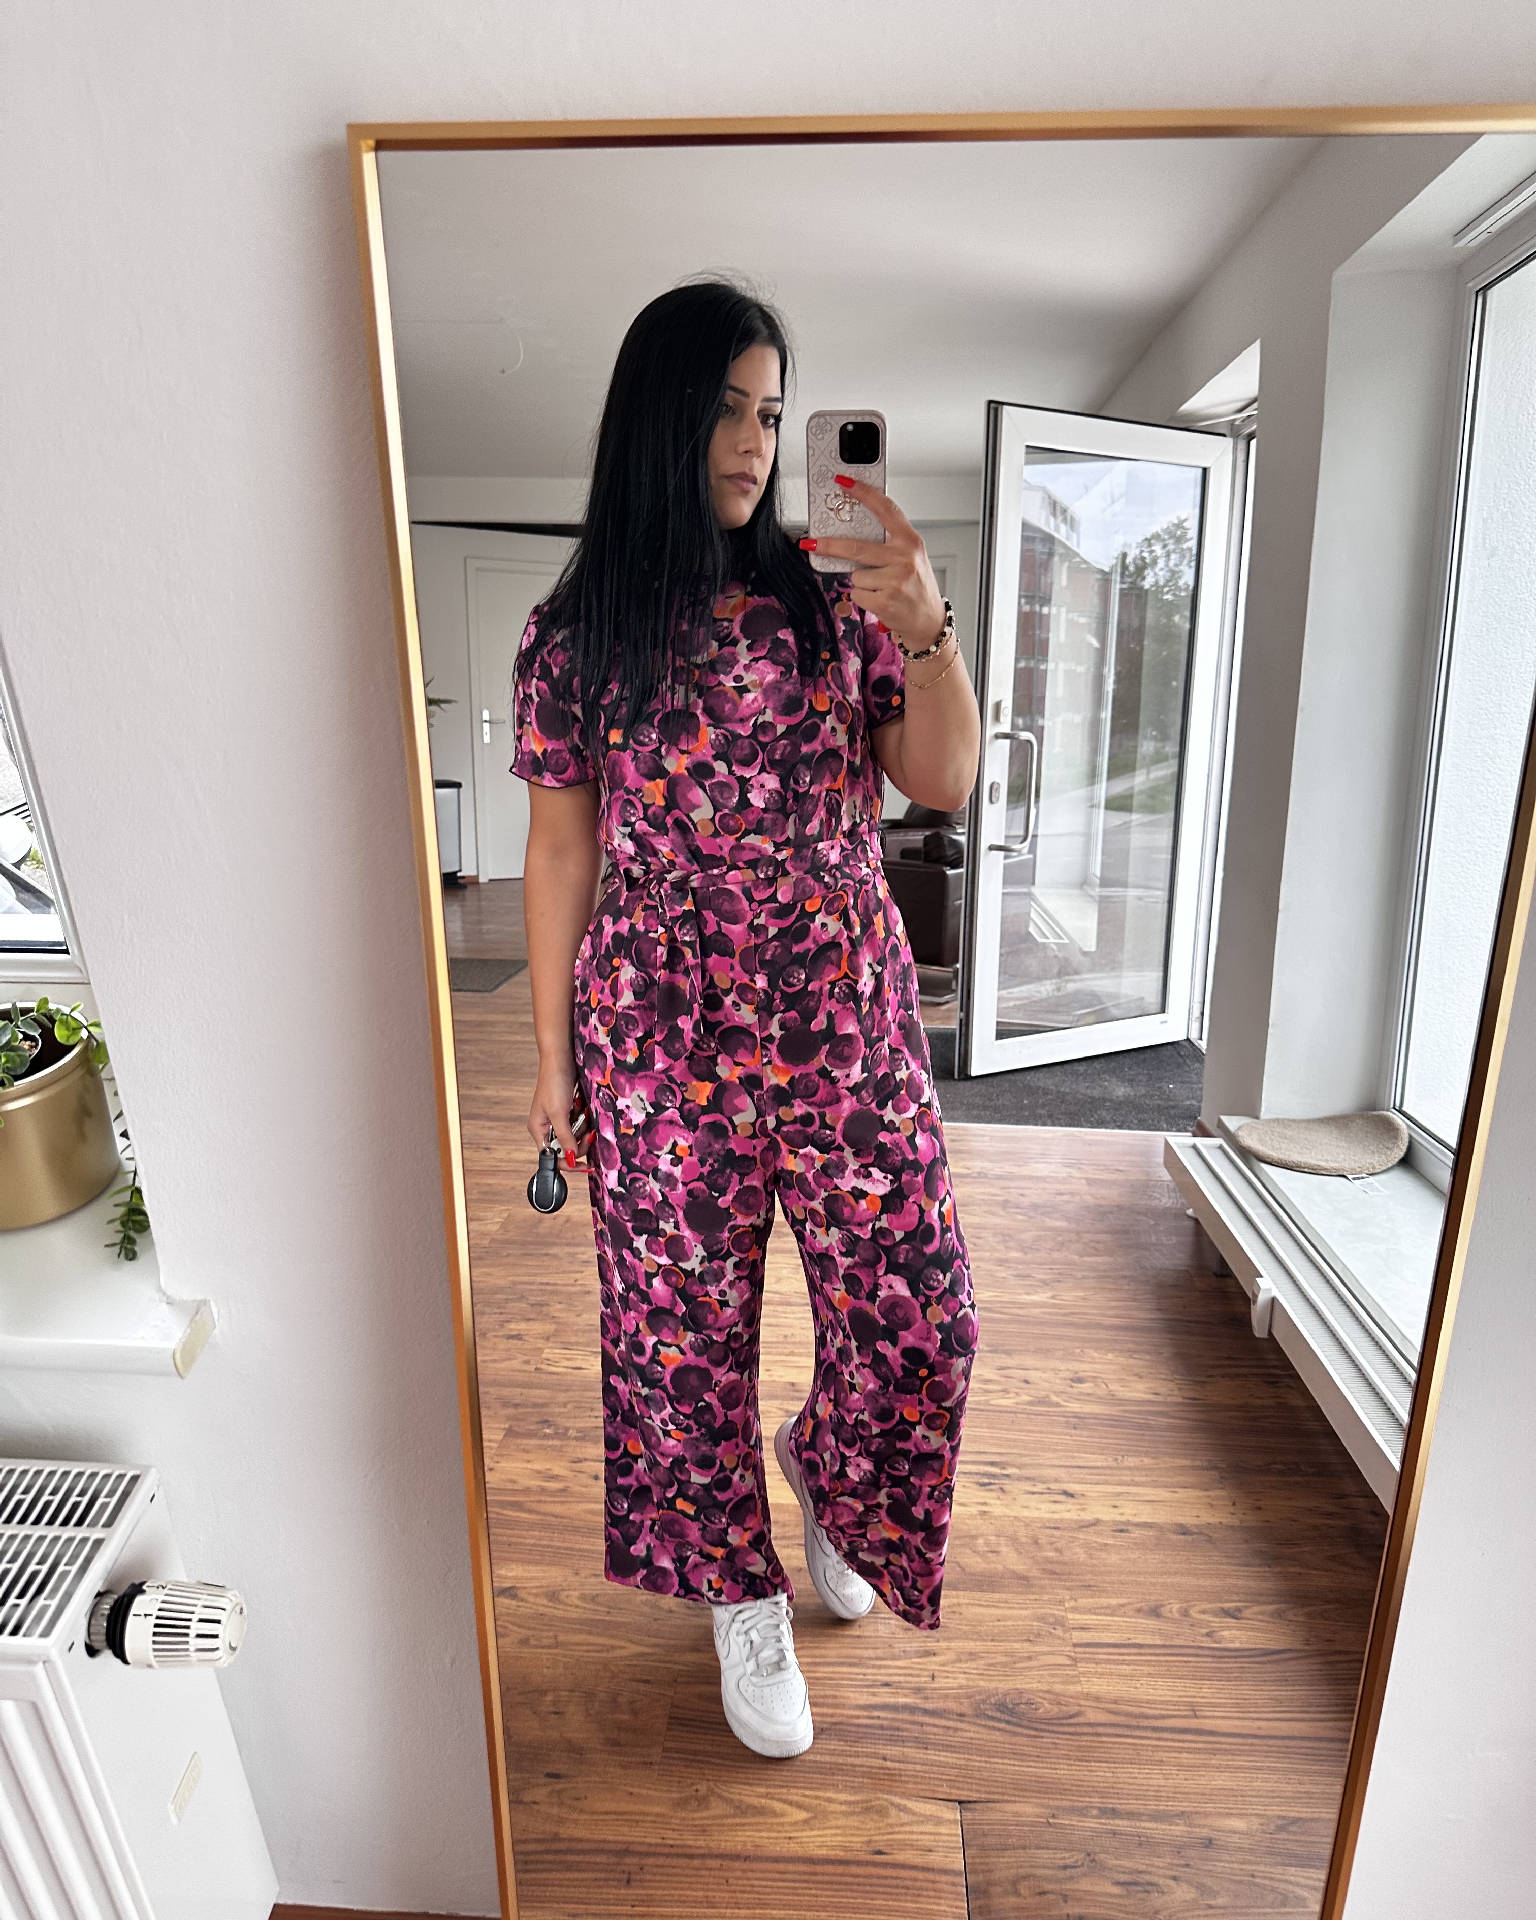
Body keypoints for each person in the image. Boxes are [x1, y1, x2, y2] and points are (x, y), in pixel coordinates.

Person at [510, 277, 982, 1760]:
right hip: (657, 1025)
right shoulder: (575, 634)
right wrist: (551, 1065)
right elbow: (560, 852)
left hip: (842, 1008)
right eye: (726, 407)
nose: (755, 441)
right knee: (680, 1335)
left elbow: (943, 781)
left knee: (923, 1308)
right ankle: (735, 1585)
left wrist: (931, 626)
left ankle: (835, 1474)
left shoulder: (834, 602)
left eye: (772, 413)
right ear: (656, 414)